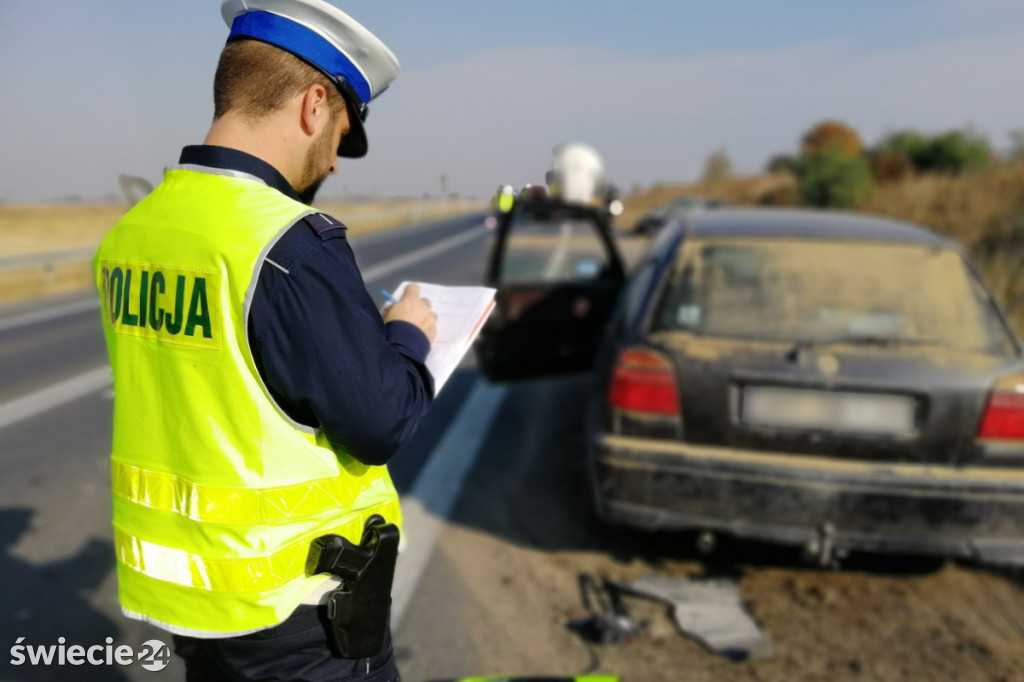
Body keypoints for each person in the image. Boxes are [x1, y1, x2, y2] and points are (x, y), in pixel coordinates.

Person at [93, 1, 436, 680]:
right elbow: (380, 421)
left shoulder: (132, 234)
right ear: (313, 105)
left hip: (195, 606)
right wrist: (409, 338)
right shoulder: (290, 247)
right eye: (340, 132)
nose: (335, 162)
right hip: (298, 615)